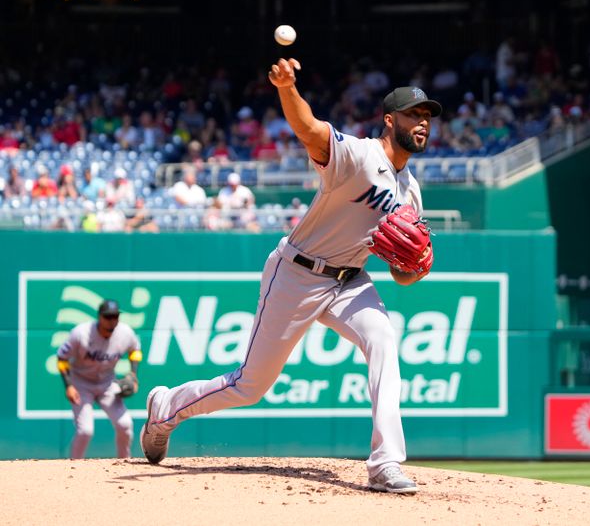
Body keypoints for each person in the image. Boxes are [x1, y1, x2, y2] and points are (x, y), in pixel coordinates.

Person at [140, 58, 441, 495]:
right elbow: (310, 129)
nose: (424, 123)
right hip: (298, 273)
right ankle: (165, 406)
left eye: (428, 117)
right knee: (249, 386)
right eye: (415, 115)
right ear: (390, 120)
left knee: (383, 339)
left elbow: (401, 277)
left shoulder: (410, 190)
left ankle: (385, 463)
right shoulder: (358, 155)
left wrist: (414, 268)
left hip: (349, 281)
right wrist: (286, 88)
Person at [57, 299, 142, 459]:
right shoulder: (80, 334)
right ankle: (74, 467)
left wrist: (133, 374)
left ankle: (124, 462)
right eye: (108, 317)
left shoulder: (125, 333)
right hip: (81, 384)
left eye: (115, 316)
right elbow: (62, 358)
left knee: (125, 425)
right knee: (85, 431)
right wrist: (68, 385)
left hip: (107, 384)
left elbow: (135, 350)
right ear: (99, 317)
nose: (112, 321)